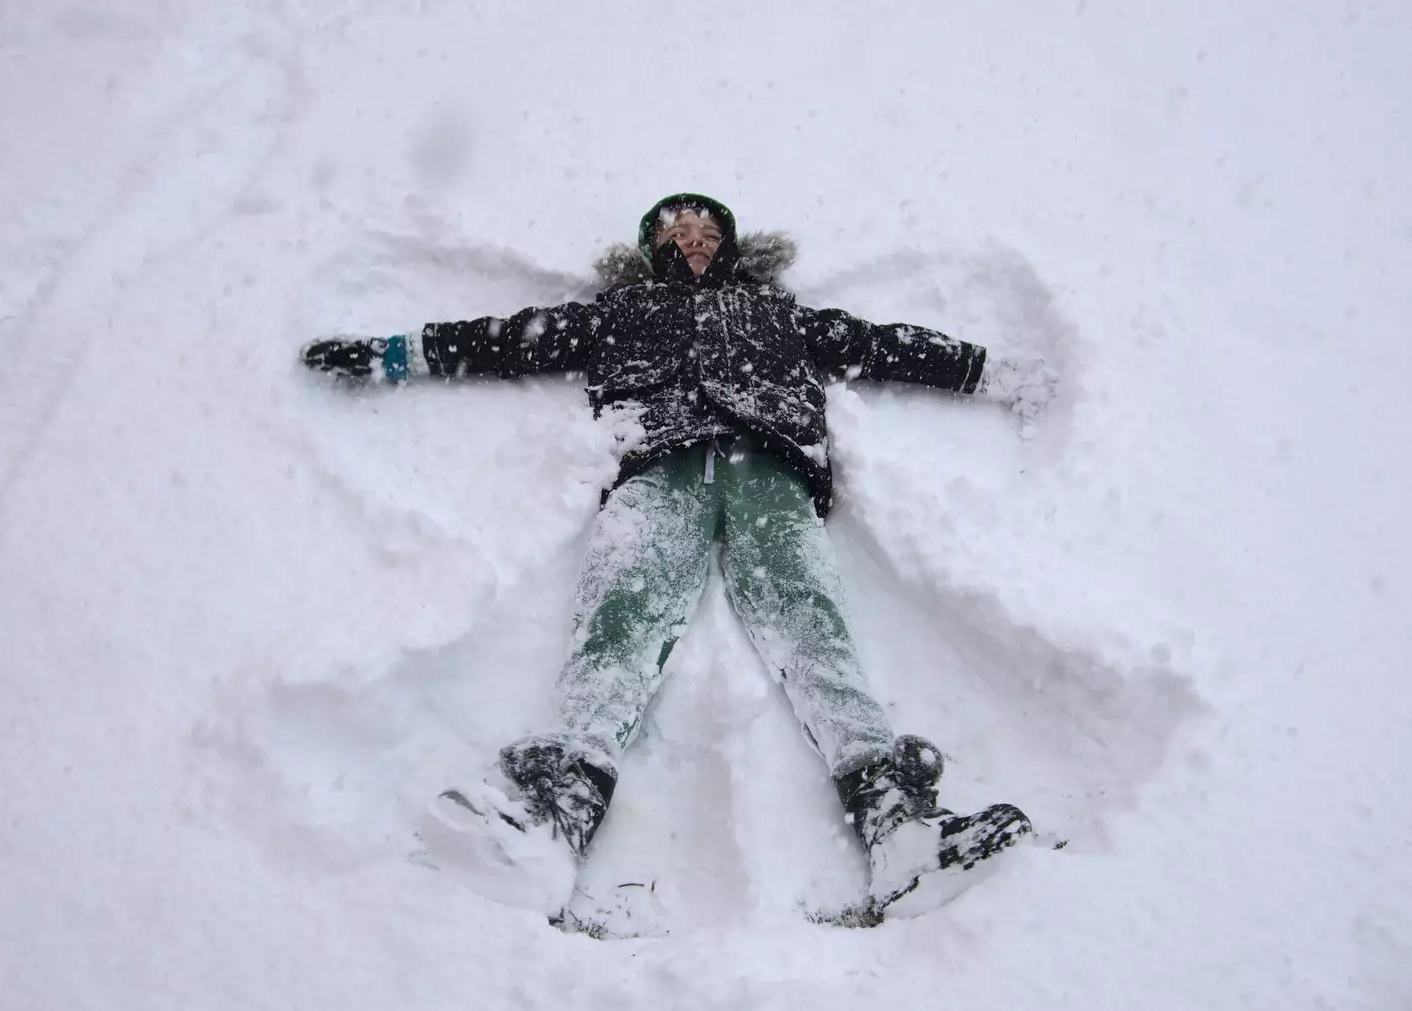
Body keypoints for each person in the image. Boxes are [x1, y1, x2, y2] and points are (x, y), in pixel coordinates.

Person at [301, 193, 1057, 918]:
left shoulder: (776, 312)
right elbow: (505, 339)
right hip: (657, 466)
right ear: (653, 248)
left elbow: (879, 343)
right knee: (620, 620)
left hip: (770, 468)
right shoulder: (620, 312)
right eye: (674, 229)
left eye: (704, 227)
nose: (691, 235)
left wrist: (993, 373)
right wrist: (386, 354)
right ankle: (550, 823)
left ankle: (900, 832)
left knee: (813, 626)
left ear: (726, 244)